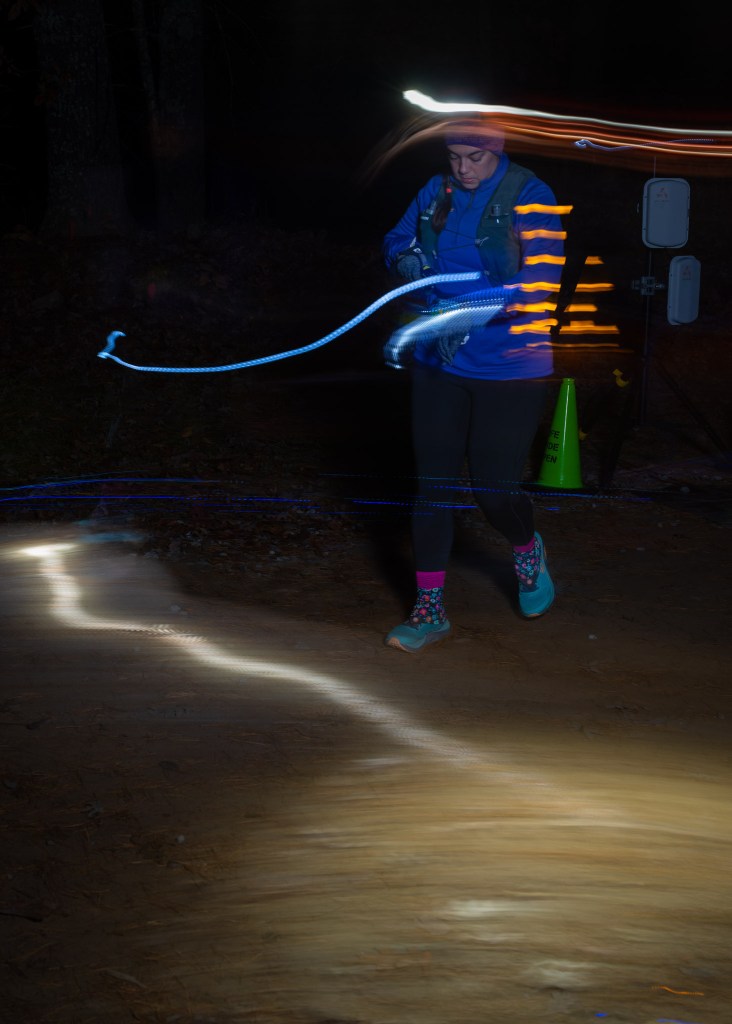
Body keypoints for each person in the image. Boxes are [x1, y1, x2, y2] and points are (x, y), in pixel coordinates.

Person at [381, 118, 565, 653]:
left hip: (508, 366)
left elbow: (540, 282)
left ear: (498, 149)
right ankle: (429, 611)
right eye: (455, 157)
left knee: (493, 489)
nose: (462, 169)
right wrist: (406, 257)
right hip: (439, 363)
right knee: (432, 488)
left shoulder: (531, 195)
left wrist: (469, 315)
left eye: (475, 158)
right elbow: (396, 238)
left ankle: (527, 549)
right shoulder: (436, 190)